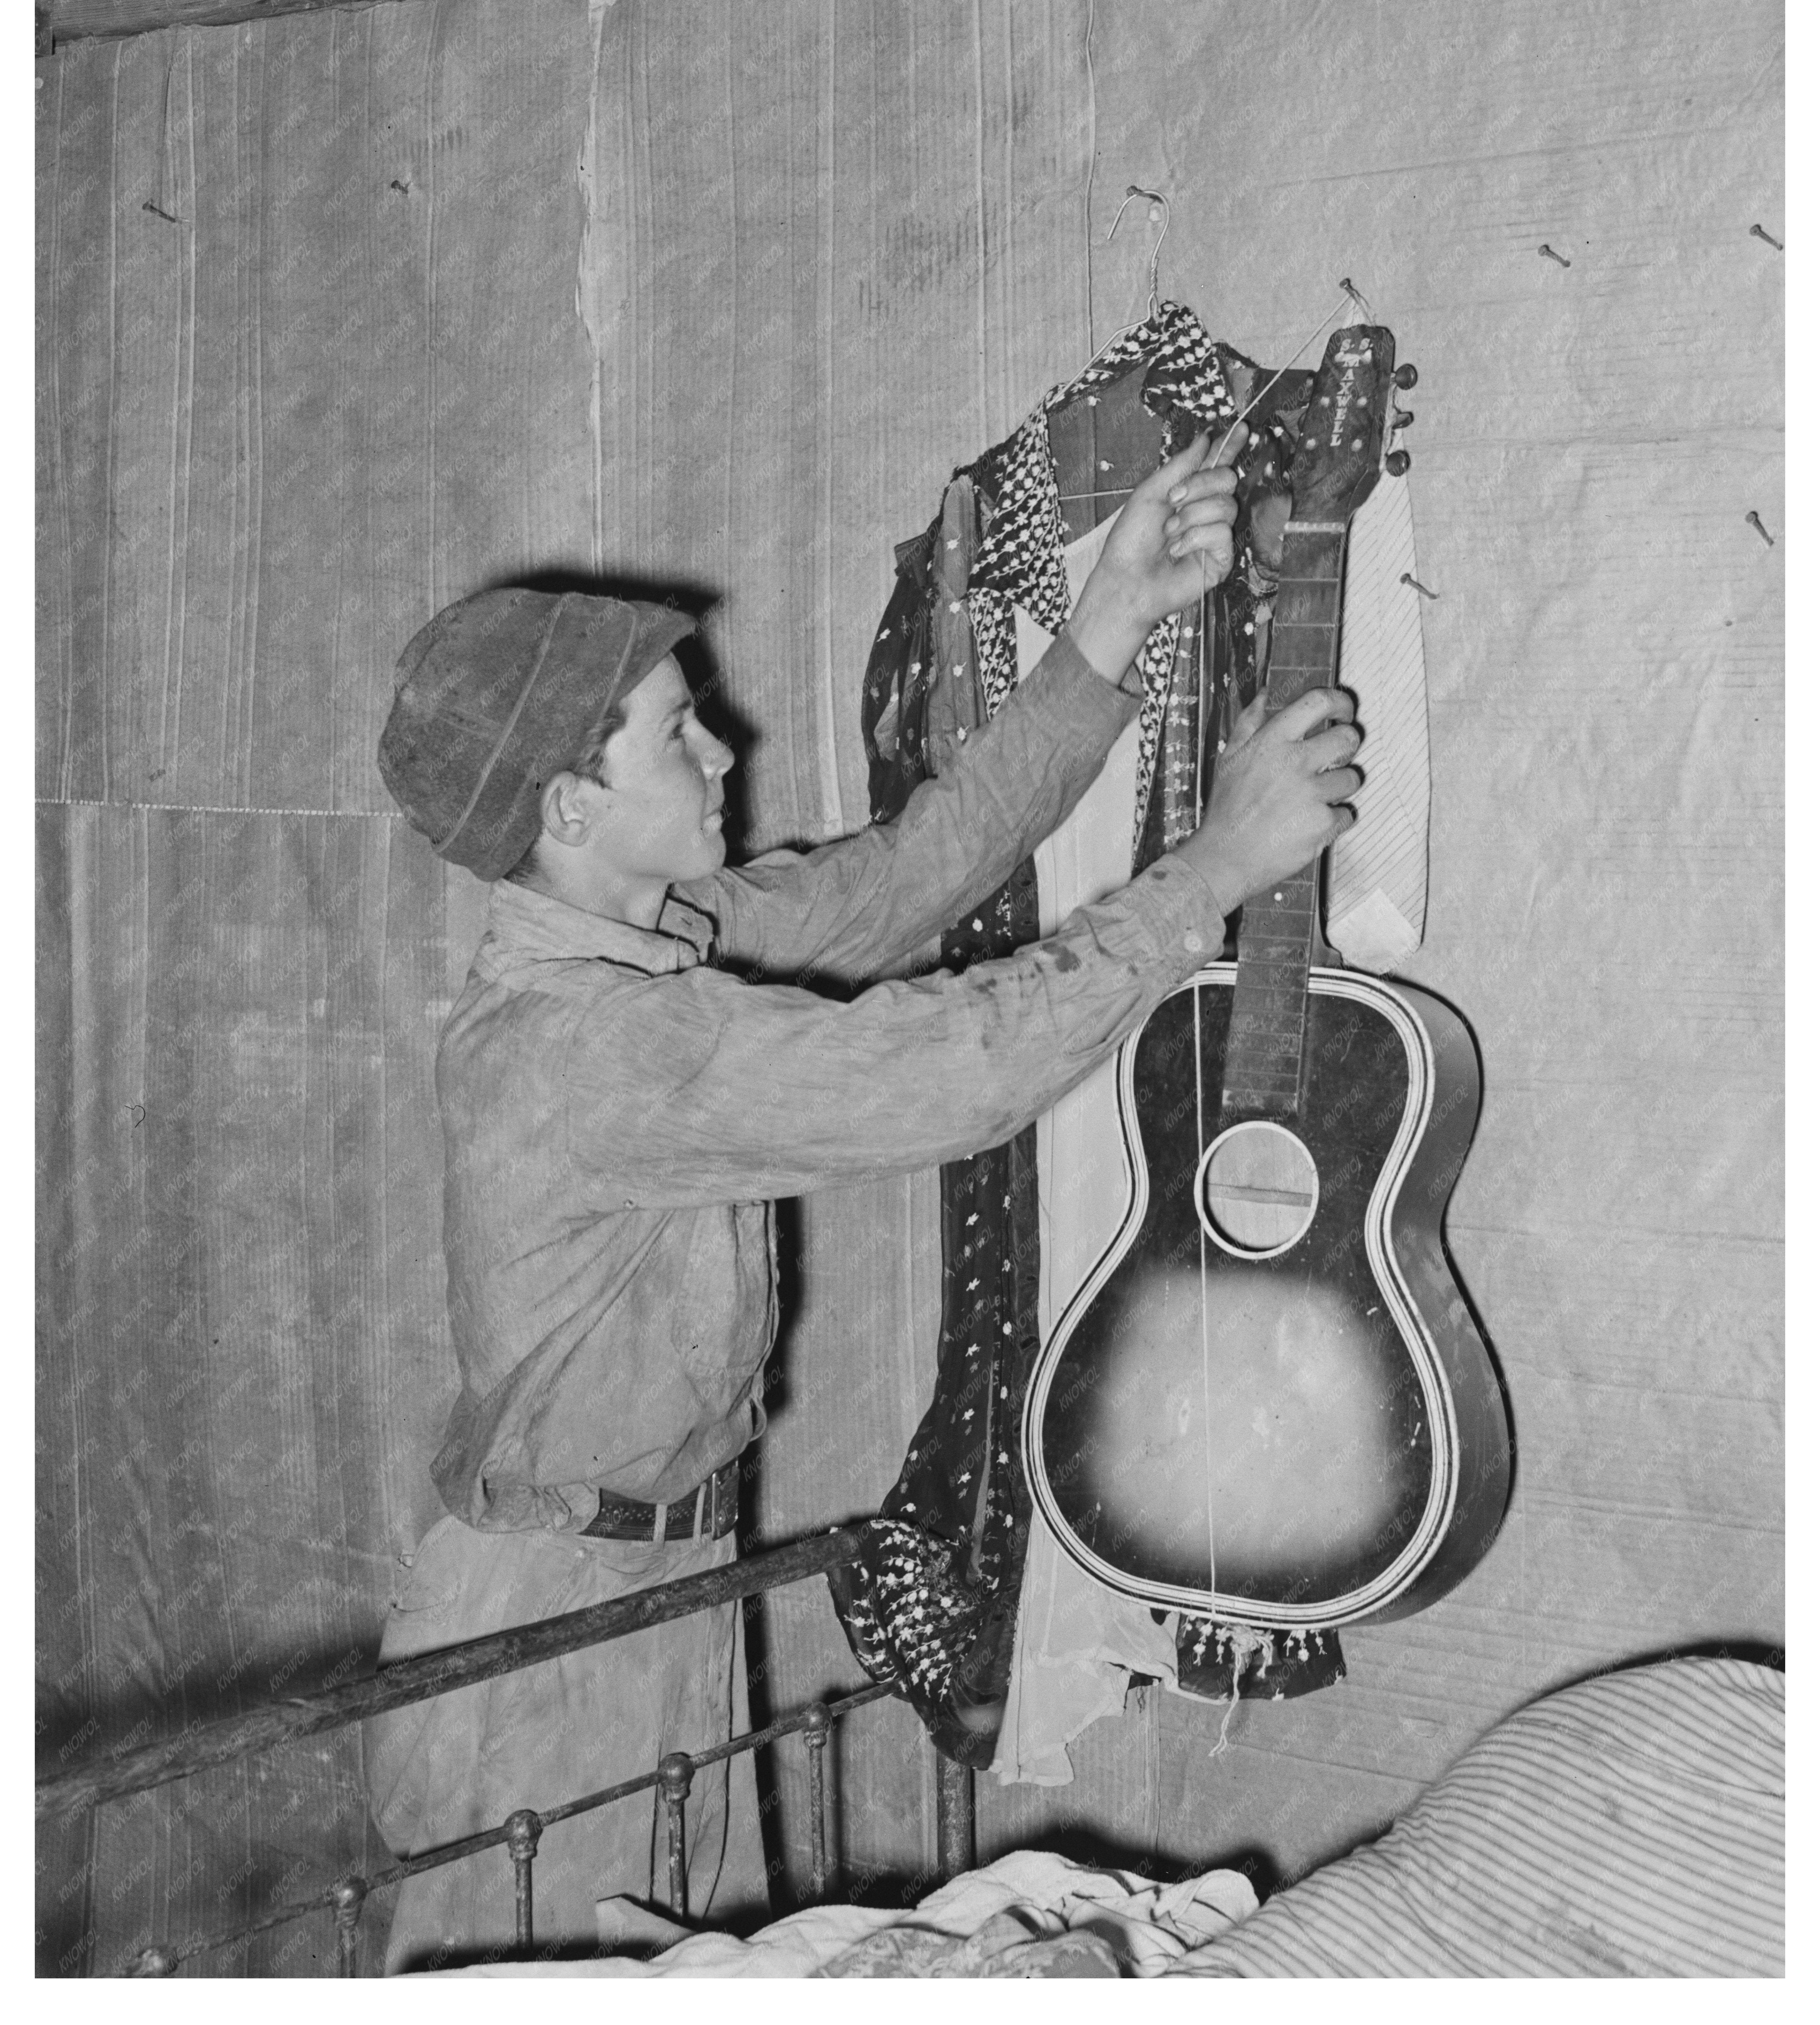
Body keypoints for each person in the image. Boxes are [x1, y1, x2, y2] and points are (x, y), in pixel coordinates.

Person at [363, 431, 1360, 1969]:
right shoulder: (587, 1045)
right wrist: (1208, 872)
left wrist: (1108, 619)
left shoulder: (664, 938)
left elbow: (909, 875)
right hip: (545, 1633)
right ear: (567, 807)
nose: (725, 752)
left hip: (654, 1583)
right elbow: (951, 1068)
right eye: (677, 736)